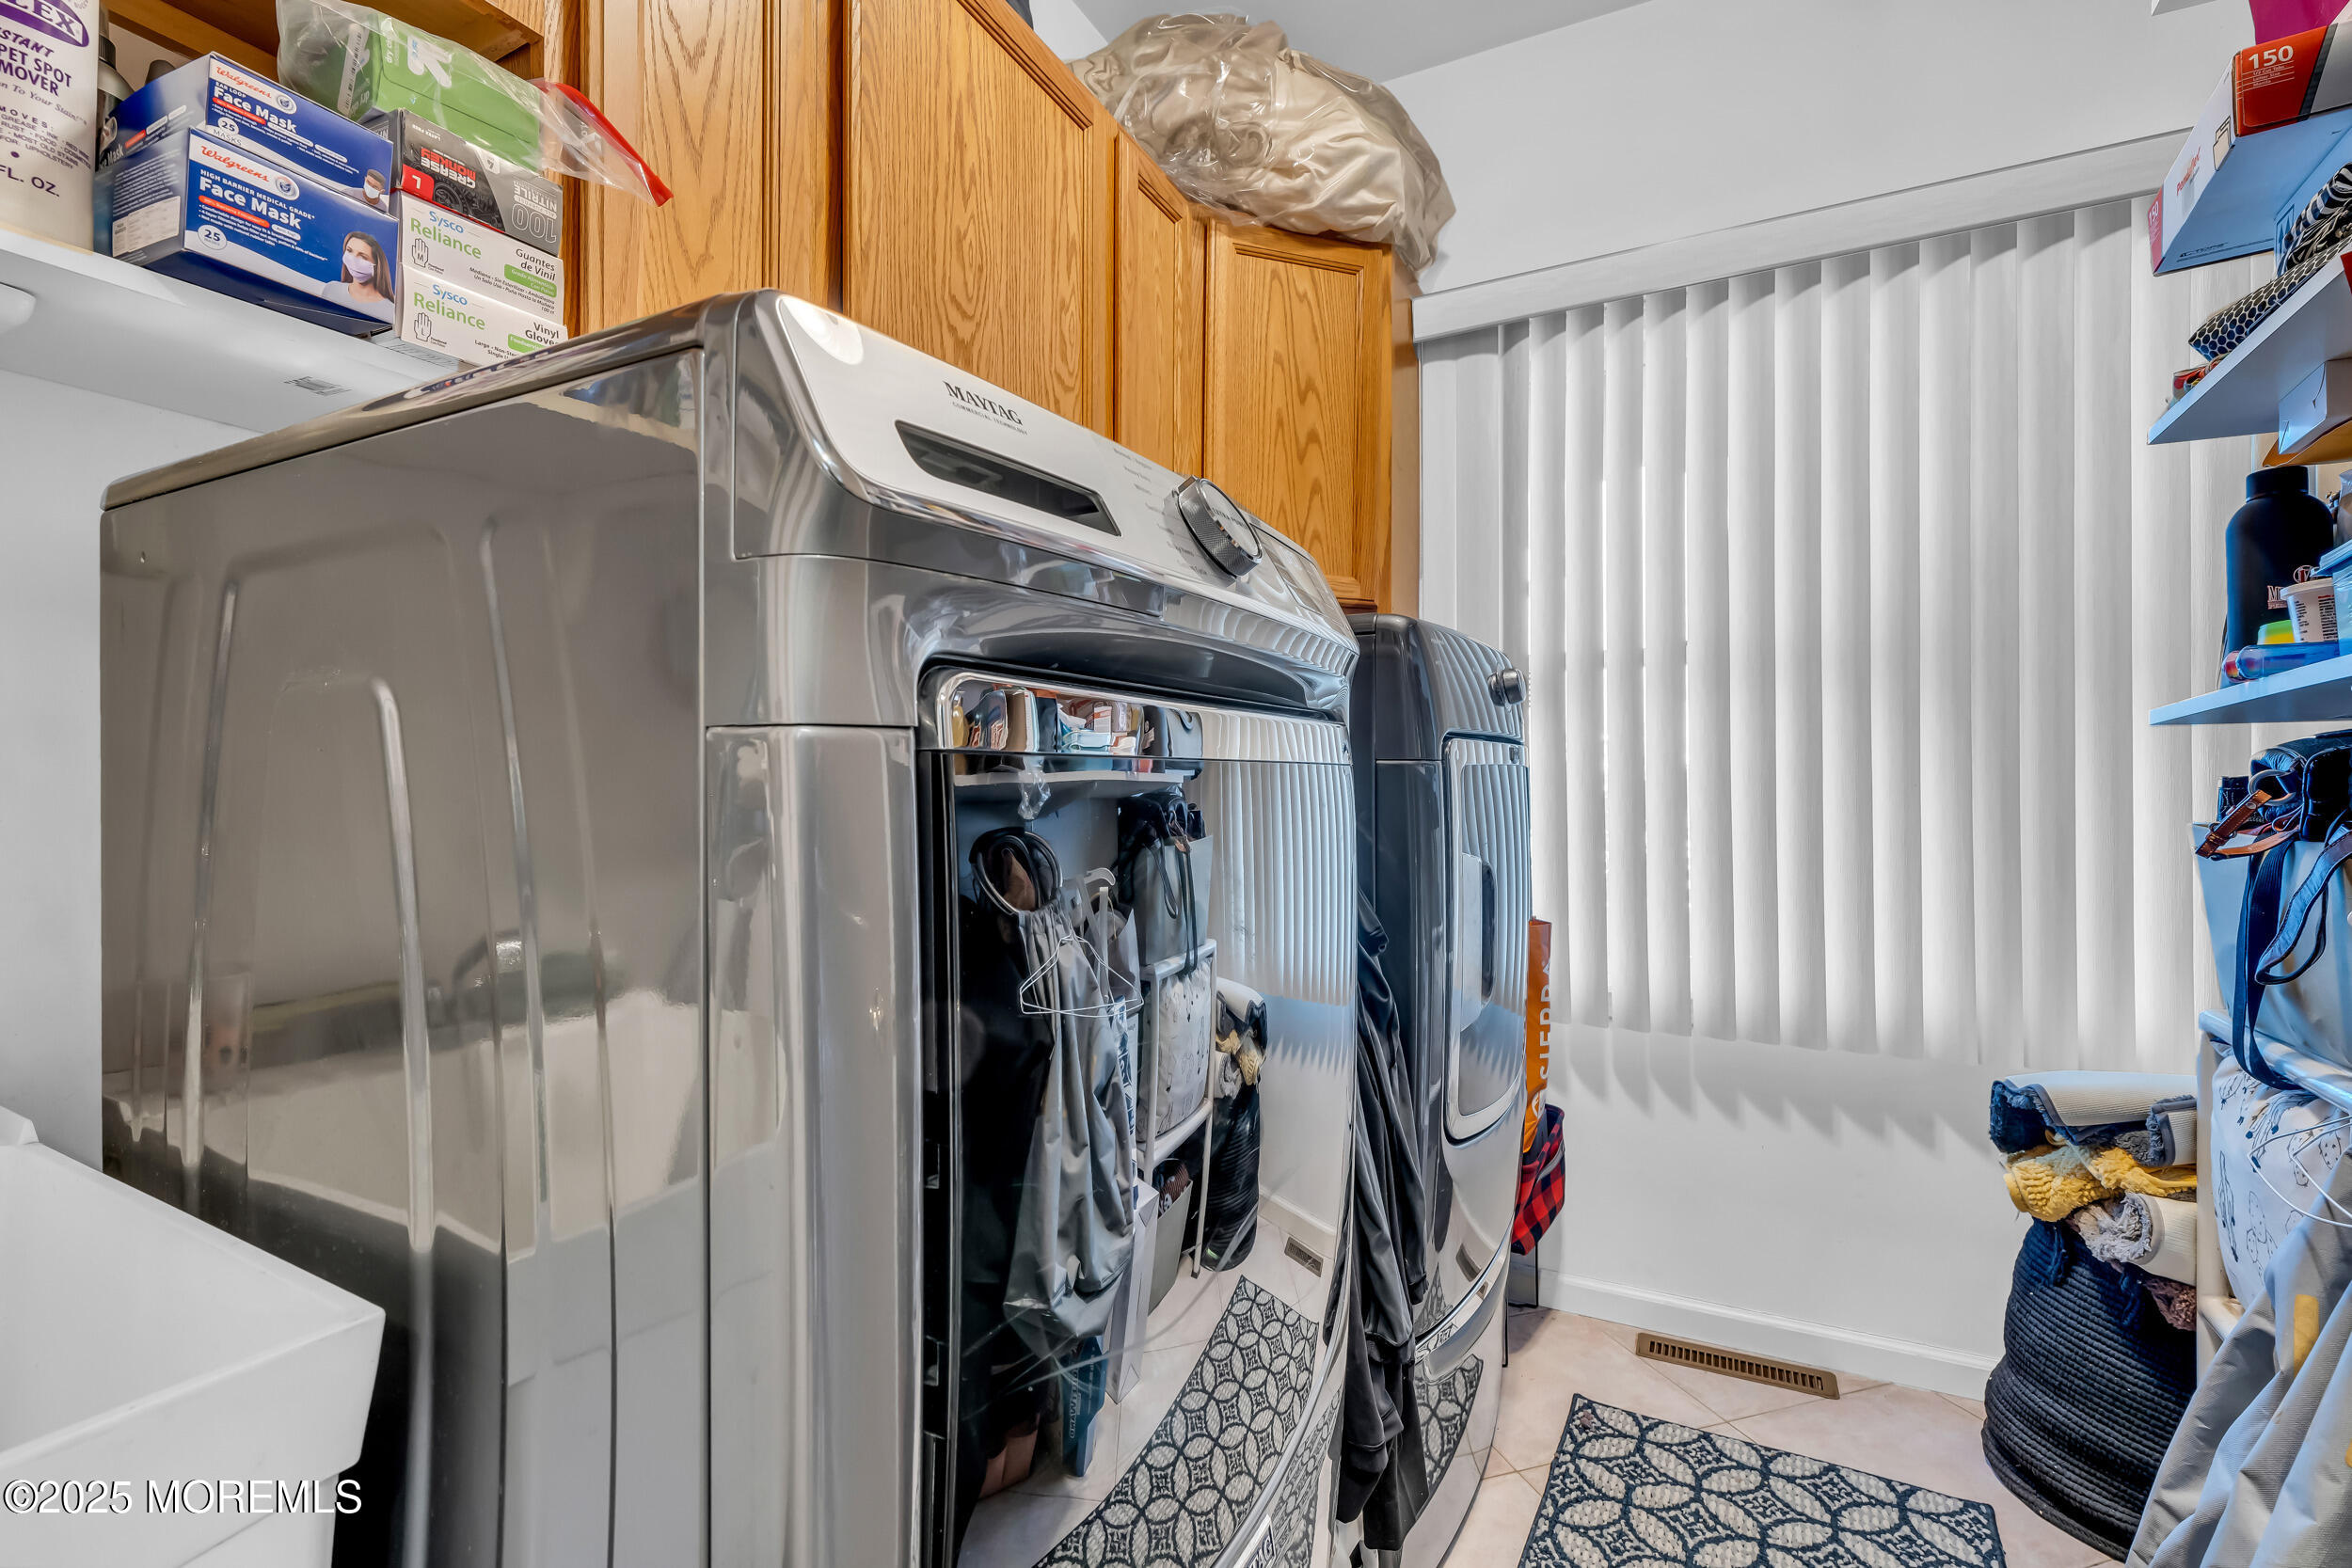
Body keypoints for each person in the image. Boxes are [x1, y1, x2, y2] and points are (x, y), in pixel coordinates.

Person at [325, 232, 391, 310]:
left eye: (363, 256)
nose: (353, 259)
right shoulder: (332, 288)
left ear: (377, 266)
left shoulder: (389, 309)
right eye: (349, 251)